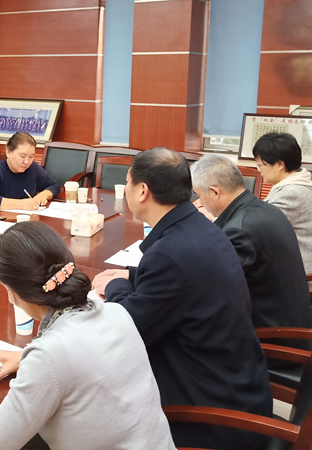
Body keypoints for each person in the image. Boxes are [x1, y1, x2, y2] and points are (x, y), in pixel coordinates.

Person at [0, 221, 175, 450]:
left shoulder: (49, 357)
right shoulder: (114, 311)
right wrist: (24, 359)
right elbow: (83, 360)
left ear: (15, 291)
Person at [91, 148, 272, 450]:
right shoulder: (200, 227)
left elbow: (127, 329)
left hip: (210, 414)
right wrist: (131, 276)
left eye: (128, 182)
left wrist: (115, 287)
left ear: (142, 191)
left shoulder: (170, 254)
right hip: (239, 387)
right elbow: (184, 281)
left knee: (91, 407)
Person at [190, 154, 312, 331]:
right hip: (292, 319)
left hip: (274, 335)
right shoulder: (263, 209)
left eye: (200, 196)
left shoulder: (239, 231)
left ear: (215, 192)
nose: (200, 202)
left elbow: (213, 288)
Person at [253, 132, 312, 289]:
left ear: (279, 165)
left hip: (298, 282)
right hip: (289, 270)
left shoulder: (293, 193)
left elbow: (257, 227)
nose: (259, 171)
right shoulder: (293, 185)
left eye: (261, 165)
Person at [0, 131, 60, 211]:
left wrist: (43, 195)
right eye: (22, 156)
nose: (26, 162)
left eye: (31, 157)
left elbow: (54, 186)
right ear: (8, 152)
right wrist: (21, 204)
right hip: (3, 218)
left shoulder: (33, 168)